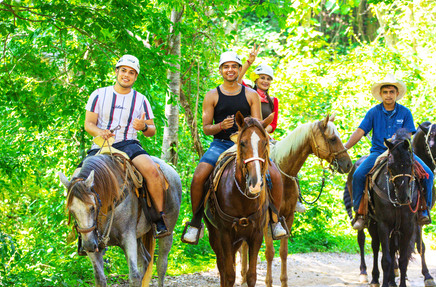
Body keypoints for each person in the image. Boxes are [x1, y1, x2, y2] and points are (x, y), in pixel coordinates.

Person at [181, 51, 288, 244]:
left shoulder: (251, 94)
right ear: (221, 70)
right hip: (220, 143)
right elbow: (206, 128)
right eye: (226, 66)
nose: (230, 70)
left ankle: (275, 220)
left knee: (275, 175)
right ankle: (196, 222)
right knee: (199, 176)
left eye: (234, 66)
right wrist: (220, 126)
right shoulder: (212, 95)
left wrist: (249, 129)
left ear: (239, 70)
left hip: (246, 145)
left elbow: (256, 124)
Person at [82, 54, 169, 238]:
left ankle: (158, 218)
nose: (126, 75)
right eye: (123, 71)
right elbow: (88, 124)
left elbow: (151, 130)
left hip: (129, 143)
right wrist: (99, 132)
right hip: (103, 144)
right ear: (116, 72)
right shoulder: (98, 94)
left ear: (135, 77)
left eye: (131, 72)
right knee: (80, 178)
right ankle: (82, 228)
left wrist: (144, 126)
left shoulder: (141, 99)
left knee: (153, 171)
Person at [344, 73, 434, 230]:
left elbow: (408, 135)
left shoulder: (405, 113)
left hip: (402, 154)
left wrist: (397, 140)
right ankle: (360, 214)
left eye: (392, 92)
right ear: (380, 94)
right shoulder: (373, 113)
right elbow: (359, 132)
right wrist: (345, 147)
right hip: (378, 152)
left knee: (428, 175)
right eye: (385, 92)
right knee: (358, 175)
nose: (388, 95)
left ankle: (423, 211)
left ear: (397, 94)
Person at [238, 46, 306, 213]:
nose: (265, 81)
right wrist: (248, 62)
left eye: (268, 79)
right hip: (247, 135)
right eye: (262, 78)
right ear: (256, 79)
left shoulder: (273, 100)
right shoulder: (247, 91)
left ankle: (295, 197)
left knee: (288, 160)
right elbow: (237, 80)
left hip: (265, 136)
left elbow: (273, 123)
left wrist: (264, 132)